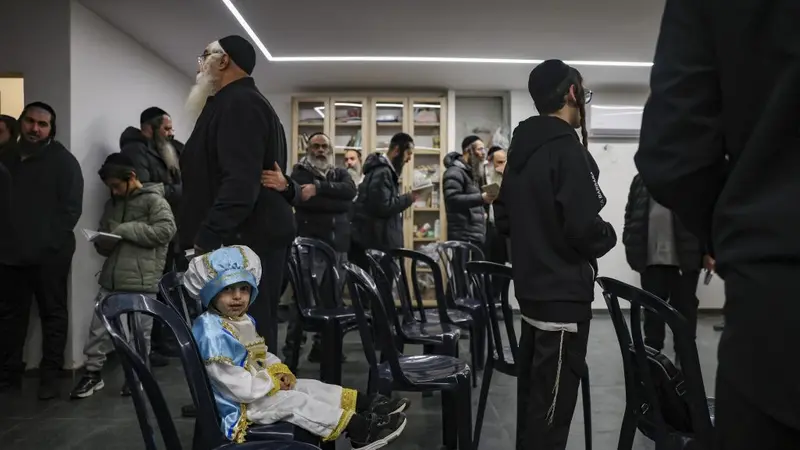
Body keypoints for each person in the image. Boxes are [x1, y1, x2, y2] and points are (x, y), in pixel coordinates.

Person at [634, 1, 800, 447]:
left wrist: (734, 235)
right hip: (760, 275)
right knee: (657, 316)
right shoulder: (636, 190)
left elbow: (671, 155)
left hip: (777, 291)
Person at [495, 60, 616, 449]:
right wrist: (608, 236)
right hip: (562, 303)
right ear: (572, 93)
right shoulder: (567, 149)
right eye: (584, 93)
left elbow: (503, 218)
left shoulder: (520, 149)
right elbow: (584, 229)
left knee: (534, 404)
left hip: (531, 296)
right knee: (551, 417)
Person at [183, 245, 409, 448]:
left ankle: (367, 404)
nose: (237, 297)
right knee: (295, 402)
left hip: (256, 388)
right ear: (210, 293)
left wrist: (278, 370)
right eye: (227, 290)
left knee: (309, 387)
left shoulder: (238, 319)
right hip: (238, 405)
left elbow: (259, 353)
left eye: (244, 288)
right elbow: (236, 385)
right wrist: (271, 382)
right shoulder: (212, 333)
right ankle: (360, 429)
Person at [179, 35, 298, 351]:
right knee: (237, 333)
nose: (200, 65)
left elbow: (240, 183)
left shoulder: (240, 103)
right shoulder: (238, 102)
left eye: (205, 56)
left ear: (223, 60)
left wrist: (207, 237)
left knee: (246, 336)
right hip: (245, 236)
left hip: (243, 239)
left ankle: (253, 387)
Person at [69, 153, 176, 399]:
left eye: (117, 186)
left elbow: (166, 231)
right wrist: (102, 241)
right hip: (112, 277)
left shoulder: (155, 201)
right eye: (111, 187)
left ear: (132, 177)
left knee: (139, 333)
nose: (114, 191)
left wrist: (126, 229)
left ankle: (138, 375)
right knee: (98, 329)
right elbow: (107, 234)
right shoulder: (113, 204)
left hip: (142, 279)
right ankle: (92, 373)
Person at [0, 102, 84, 399]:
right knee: (10, 317)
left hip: (50, 256)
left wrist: (48, 245)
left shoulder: (64, 162)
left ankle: (50, 376)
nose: (35, 129)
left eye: (42, 124)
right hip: (9, 255)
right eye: (30, 121)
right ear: (21, 122)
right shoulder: (6, 156)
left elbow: (70, 210)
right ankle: (9, 375)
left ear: (51, 129)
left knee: (53, 314)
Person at [277, 132, 356, 363]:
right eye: (316, 146)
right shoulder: (299, 173)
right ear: (308, 149)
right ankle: (292, 354)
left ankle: (323, 349)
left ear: (330, 150)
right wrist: (335, 200)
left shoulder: (339, 172)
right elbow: (304, 200)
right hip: (310, 247)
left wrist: (319, 188)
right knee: (303, 302)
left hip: (338, 246)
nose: (320, 150)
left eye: (324, 146)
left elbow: (350, 193)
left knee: (332, 301)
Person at [120, 106, 182, 365]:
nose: (171, 133)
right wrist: (180, 190)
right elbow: (146, 190)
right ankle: (151, 347)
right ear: (149, 128)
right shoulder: (135, 152)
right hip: (147, 230)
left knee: (165, 286)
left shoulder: (163, 148)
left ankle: (162, 340)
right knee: (151, 289)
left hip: (165, 228)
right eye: (166, 128)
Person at [622, 174, 707, 360]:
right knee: (652, 312)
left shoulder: (690, 176)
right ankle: (652, 359)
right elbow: (630, 213)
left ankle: (685, 361)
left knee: (684, 311)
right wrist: (630, 241)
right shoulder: (641, 180)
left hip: (684, 260)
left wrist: (708, 251)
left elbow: (704, 216)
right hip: (651, 260)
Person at [351, 133, 417, 268]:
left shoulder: (382, 171)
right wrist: (409, 198)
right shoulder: (382, 172)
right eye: (408, 153)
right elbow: (383, 207)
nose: (409, 159)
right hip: (378, 244)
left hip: (377, 241)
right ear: (397, 150)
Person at [442, 136, 495, 247]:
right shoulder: (454, 172)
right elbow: (452, 200)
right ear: (468, 151)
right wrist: (482, 198)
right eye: (480, 149)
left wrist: (481, 213)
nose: (483, 153)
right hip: (463, 237)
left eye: (484, 149)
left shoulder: (471, 174)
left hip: (473, 236)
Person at [485, 145, 508, 264]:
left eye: (504, 162)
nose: (502, 166)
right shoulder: (483, 177)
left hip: (502, 228)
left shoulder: (508, 177)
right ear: (490, 163)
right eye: (499, 162)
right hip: (486, 227)